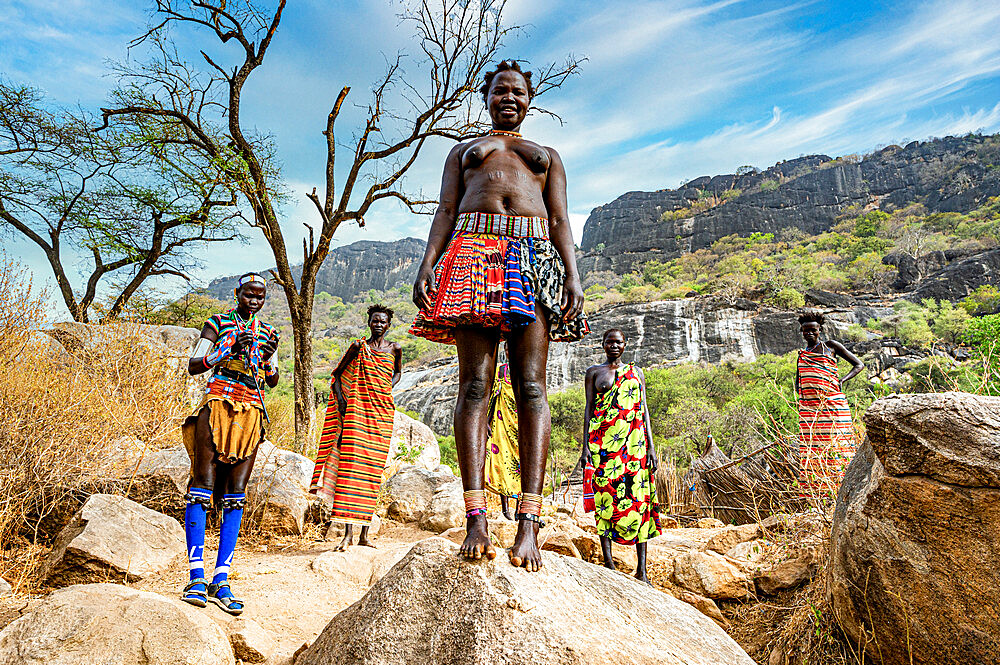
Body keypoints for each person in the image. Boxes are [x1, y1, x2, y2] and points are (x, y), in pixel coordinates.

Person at [410, 60, 588, 571]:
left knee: (531, 387)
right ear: (485, 97)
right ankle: (476, 519)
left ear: (529, 100)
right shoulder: (463, 152)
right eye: (499, 91)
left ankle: (529, 525)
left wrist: (573, 277)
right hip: (471, 253)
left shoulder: (546, 156)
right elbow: (445, 210)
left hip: (534, 259)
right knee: (474, 387)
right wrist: (428, 263)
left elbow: (558, 218)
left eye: (518, 92)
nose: (509, 98)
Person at [181, 273, 280, 614]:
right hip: (217, 404)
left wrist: (266, 357)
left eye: (260, 296)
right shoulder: (218, 323)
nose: (254, 300)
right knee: (202, 486)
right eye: (249, 295)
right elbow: (194, 366)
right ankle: (195, 576)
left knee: (236, 494)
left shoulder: (270, 332)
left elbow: (273, 379)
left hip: (252, 408)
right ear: (237, 294)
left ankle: (221, 579)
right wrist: (226, 349)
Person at [310, 304, 402, 550]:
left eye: (383, 321)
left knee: (371, 473)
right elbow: (337, 375)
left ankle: (364, 535)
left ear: (388, 325)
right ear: (369, 322)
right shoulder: (358, 348)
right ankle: (348, 535)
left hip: (381, 414)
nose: (379, 325)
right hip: (355, 413)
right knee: (350, 470)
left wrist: (385, 389)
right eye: (375, 320)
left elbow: (397, 374)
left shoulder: (395, 348)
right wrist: (342, 400)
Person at [580, 328, 660, 584]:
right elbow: (588, 411)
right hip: (603, 446)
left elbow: (644, 410)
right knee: (606, 497)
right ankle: (609, 563)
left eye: (619, 342)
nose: (614, 346)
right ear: (602, 344)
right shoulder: (594, 372)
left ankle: (642, 570)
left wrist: (651, 447)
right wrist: (584, 449)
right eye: (609, 342)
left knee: (639, 499)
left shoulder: (636, 373)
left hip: (635, 446)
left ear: (626, 345)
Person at [796, 310, 864, 500]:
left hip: (833, 405)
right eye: (805, 331)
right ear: (802, 332)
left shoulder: (830, 346)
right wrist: (802, 402)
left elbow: (858, 364)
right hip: (810, 411)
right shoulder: (802, 354)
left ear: (820, 330)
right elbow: (798, 381)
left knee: (838, 445)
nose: (809, 333)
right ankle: (818, 494)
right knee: (813, 449)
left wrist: (842, 380)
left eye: (813, 330)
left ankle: (844, 488)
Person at [486, 359, 520, 520]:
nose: (509, 351)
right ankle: (505, 509)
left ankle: (520, 507)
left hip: (521, 425)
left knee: (522, 465)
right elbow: (493, 396)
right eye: (506, 348)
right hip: (501, 422)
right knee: (501, 462)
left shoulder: (526, 367)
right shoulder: (501, 371)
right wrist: (487, 421)